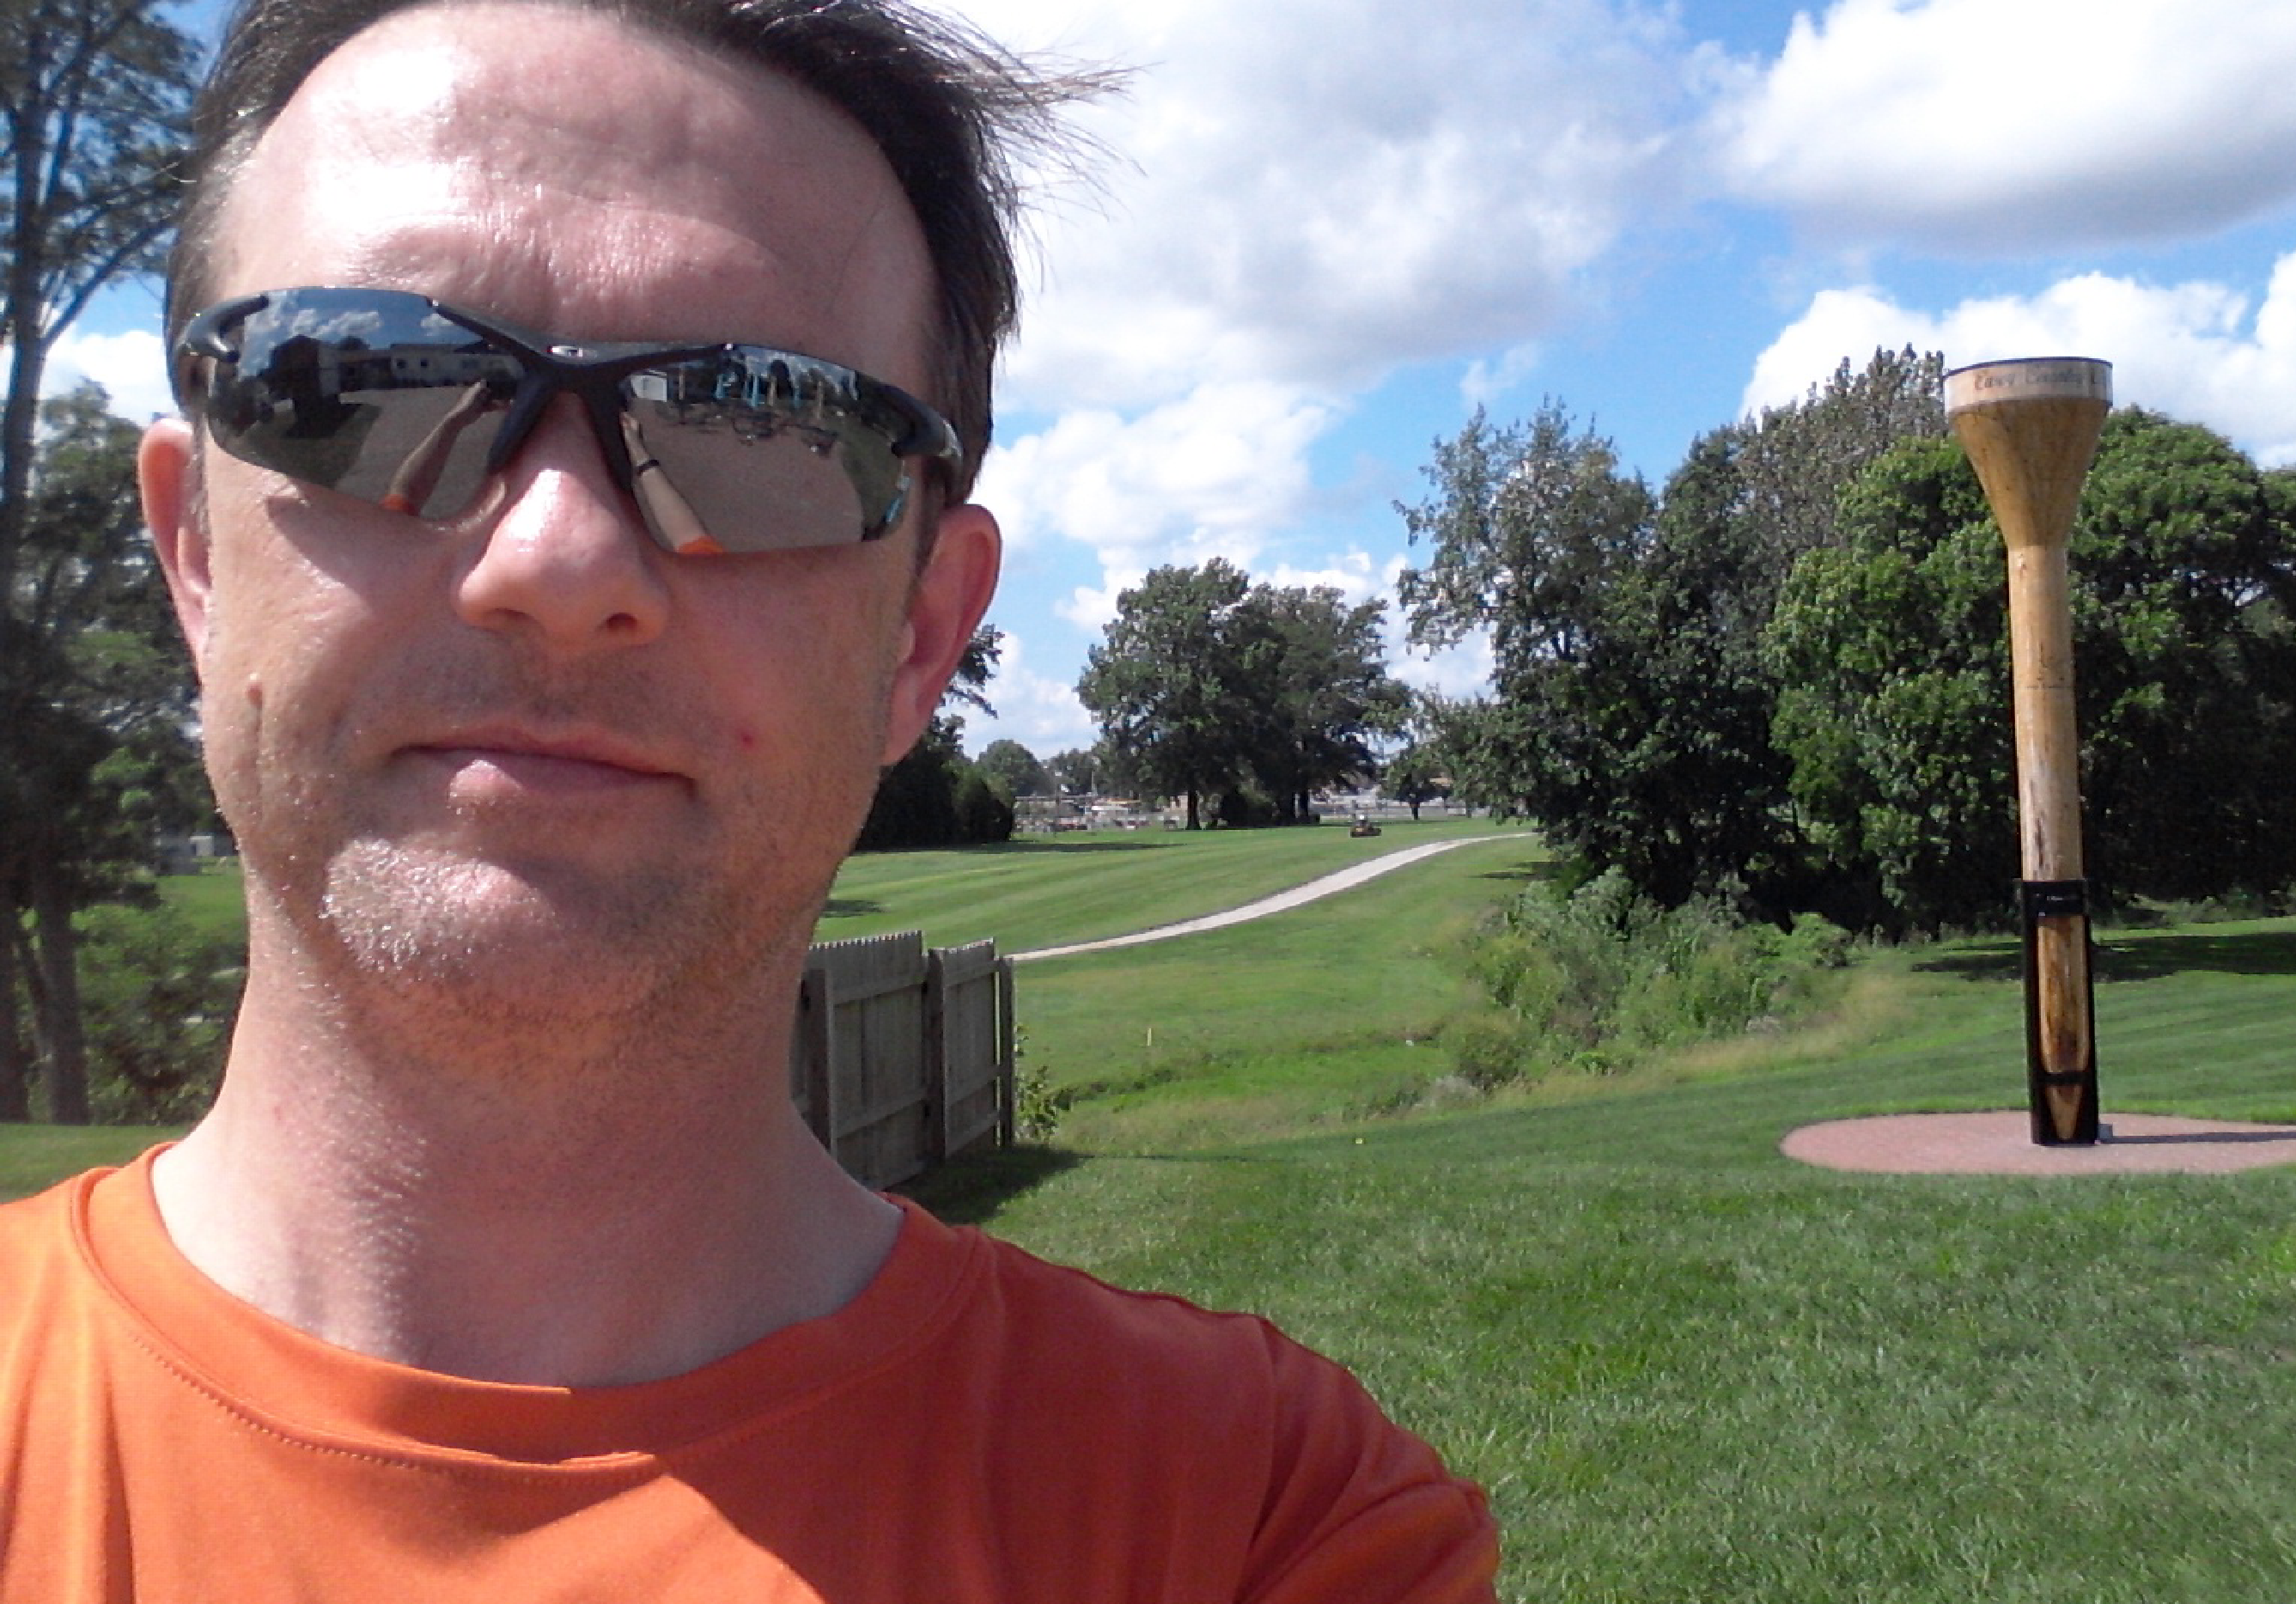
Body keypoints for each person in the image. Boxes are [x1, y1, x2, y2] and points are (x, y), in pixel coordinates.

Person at [0, 0, 1501, 1599]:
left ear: (923, 631)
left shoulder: (1249, 1518)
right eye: (365, 380)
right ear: (199, 554)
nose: (558, 563)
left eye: (761, 421)